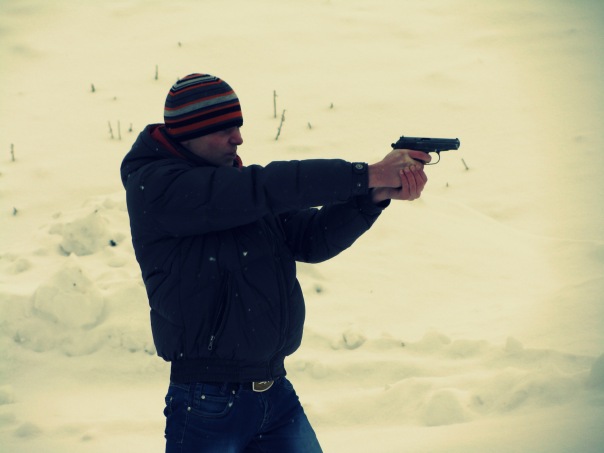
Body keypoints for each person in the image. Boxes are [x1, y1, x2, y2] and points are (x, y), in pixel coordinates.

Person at [120, 73, 430, 452]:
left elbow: (312, 239)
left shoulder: (236, 190)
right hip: (207, 401)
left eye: (238, 126)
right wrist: (366, 174)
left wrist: (372, 196)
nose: (238, 138)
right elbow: (265, 187)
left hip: (274, 392)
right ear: (189, 133)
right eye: (224, 129)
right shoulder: (159, 187)